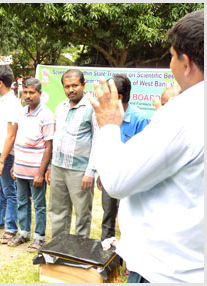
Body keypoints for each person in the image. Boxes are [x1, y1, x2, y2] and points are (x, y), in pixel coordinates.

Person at [88, 10, 203, 283]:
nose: (170, 63)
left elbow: (115, 180)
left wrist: (108, 125)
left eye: (172, 56)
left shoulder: (184, 113)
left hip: (167, 271)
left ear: (185, 62)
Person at [96, 74, 149, 241]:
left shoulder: (139, 119)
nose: (103, 96)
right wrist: (101, 173)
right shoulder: (105, 116)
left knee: (130, 220)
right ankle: (108, 258)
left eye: (107, 93)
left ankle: (128, 261)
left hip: (131, 180)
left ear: (118, 97)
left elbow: (144, 155)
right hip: (109, 176)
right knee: (108, 217)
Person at [45, 69, 98, 239]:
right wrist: (51, 166)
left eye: (75, 85)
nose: (71, 90)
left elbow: (98, 141)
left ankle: (80, 253)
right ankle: (59, 249)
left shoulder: (93, 108)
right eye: (67, 86)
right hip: (59, 167)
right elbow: (57, 139)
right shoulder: (61, 107)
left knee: (82, 213)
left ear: (83, 85)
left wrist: (90, 172)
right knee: (58, 210)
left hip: (80, 171)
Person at [7, 78, 54, 252]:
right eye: (25, 92)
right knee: (21, 202)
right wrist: (14, 164)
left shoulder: (47, 115)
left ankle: (39, 237)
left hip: (36, 171)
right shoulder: (22, 112)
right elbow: (18, 140)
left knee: (39, 205)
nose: (27, 96)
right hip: (20, 168)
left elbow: (49, 146)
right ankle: (24, 233)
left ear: (40, 94)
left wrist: (41, 173)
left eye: (31, 92)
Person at [0, 65, 21, 244]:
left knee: (9, 192)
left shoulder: (12, 103)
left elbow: (11, 134)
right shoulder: (0, 101)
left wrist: (1, 160)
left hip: (5, 155)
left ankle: (11, 228)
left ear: (0, 83)